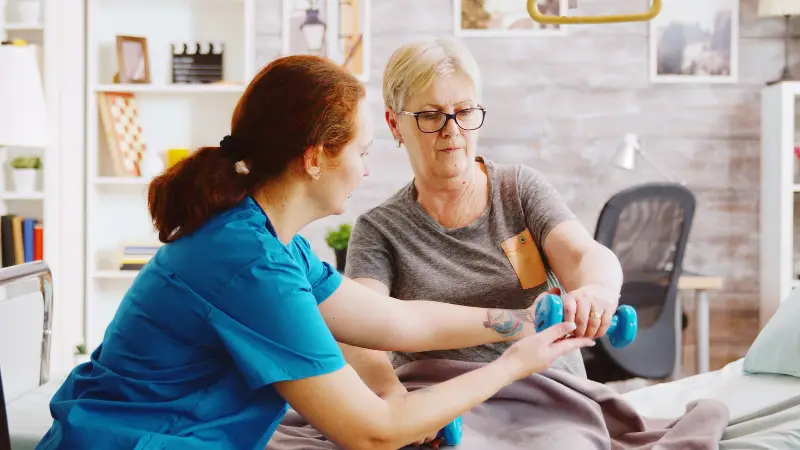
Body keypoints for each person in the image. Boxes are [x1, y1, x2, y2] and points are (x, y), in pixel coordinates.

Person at [34, 55, 595, 450]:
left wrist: (517, 323)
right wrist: (515, 364)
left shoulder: (273, 244)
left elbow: (399, 321)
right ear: (315, 158)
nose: (369, 168)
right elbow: (372, 431)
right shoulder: (247, 263)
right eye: (361, 151)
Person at [339, 37, 625, 444]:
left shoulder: (519, 190)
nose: (452, 131)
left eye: (465, 112)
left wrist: (599, 289)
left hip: (543, 392)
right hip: (444, 402)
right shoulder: (380, 229)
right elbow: (361, 330)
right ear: (393, 124)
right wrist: (393, 399)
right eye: (431, 116)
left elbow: (582, 253)